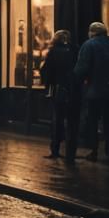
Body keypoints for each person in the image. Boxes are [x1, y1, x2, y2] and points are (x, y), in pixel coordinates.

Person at [74, 21, 109, 161]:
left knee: (92, 121)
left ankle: (94, 151)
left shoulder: (89, 45)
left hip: (95, 90)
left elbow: (81, 69)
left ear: (92, 32)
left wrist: (75, 83)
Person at [39, 30, 79, 161]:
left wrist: (47, 85)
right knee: (72, 121)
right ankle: (70, 152)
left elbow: (46, 70)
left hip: (58, 89)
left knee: (57, 120)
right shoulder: (74, 50)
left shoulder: (53, 52)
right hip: (73, 90)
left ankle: (55, 149)